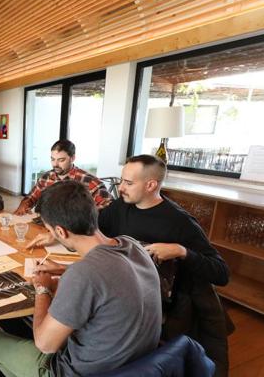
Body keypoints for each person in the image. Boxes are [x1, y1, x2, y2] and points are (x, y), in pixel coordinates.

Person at [0, 181, 162, 376]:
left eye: (50, 230)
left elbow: (45, 344)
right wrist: (63, 268)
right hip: (143, 364)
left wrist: (42, 289)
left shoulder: (83, 275)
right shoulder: (131, 244)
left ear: (60, 232)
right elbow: (110, 275)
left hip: (85, 372)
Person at [97, 154, 231, 377]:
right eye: (122, 181)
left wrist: (181, 251)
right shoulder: (122, 205)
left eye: (128, 183)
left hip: (164, 303)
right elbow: (96, 228)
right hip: (126, 289)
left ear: (151, 185)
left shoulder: (180, 222)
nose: (120, 188)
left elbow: (221, 273)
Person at [14, 139, 112, 215]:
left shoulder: (88, 181)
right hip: (47, 225)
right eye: (52, 159)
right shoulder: (46, 177)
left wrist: (84, 215)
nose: (55, 164)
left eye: (61, 160)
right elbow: (31, 197)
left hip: (74, 230)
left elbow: (108, 206)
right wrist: (25, 204)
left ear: (72, 158)